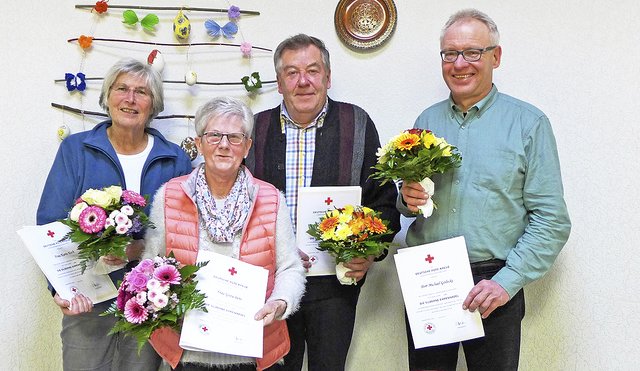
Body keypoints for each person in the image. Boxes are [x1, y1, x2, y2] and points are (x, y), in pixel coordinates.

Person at [398, 9, 571, 371]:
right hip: (430, 277)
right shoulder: (425, 121)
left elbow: (551, 219)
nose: (460, 64)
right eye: (450, 54)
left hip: (494, 280)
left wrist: (506, 282)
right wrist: (406, 198)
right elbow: (411, 199)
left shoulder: (529, 124)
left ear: (496, 56)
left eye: (472, 52)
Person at [245, 34, 401, 371]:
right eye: (292, 73)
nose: (303, 82)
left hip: (334, 286)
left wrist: (370, 252)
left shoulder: (357, 124)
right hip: (269, 286)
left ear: (327, 78)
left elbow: (384, 202)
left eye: (313, 71)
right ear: (279, 82)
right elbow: (235, 203)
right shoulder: (254, 129)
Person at [36, 58, 193, 370]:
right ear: (107, 97)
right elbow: (50, 223)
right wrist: (61, 288)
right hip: (88, 299)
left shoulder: (175, 159)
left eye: (141, 92)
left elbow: (185, 234)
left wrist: (140, 250)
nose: (130, 99)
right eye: (121, 89)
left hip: (149, 302)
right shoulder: (76, 150)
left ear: (154, 105)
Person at [142, 96, 306, 371]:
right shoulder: (169, 196)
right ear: (199, 143)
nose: (224, 145)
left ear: (247, 147)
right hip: (187, 353)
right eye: (214, 135)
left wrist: (280, 301)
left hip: (256, 352)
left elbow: (290, 267)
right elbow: (150, 265)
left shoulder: (271, 198)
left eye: (234, 137)